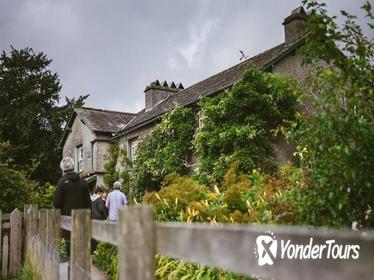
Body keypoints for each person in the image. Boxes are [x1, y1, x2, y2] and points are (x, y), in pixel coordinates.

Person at [53, 157, 91, 257]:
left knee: (70, 244)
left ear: (62, 168)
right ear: (74, 166)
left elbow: (56, 203)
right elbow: (88, 203)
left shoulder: (62, 182)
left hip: (67, 218)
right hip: (82, 219)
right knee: (81, 245)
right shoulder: (83, 182)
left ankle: (71, 267)